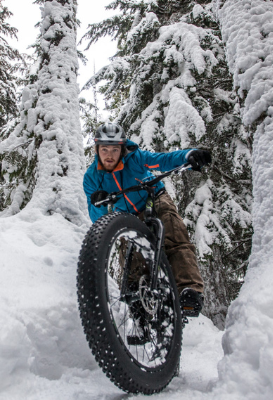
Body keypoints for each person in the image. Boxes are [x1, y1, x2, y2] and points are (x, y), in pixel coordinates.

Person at [83, 122, 212, 316]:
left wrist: (188, 156)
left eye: (115, 149)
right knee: (130, 258)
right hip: (126, 216)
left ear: (122, 149)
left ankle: (189, 290)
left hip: (154, 198)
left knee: (172, 232)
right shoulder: (92, 178)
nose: (109, 155)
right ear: (97, 149)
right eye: (105, 149)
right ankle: (138, 306)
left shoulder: (135, 158)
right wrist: (99, 203)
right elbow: (97, 218)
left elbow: (162, 160)